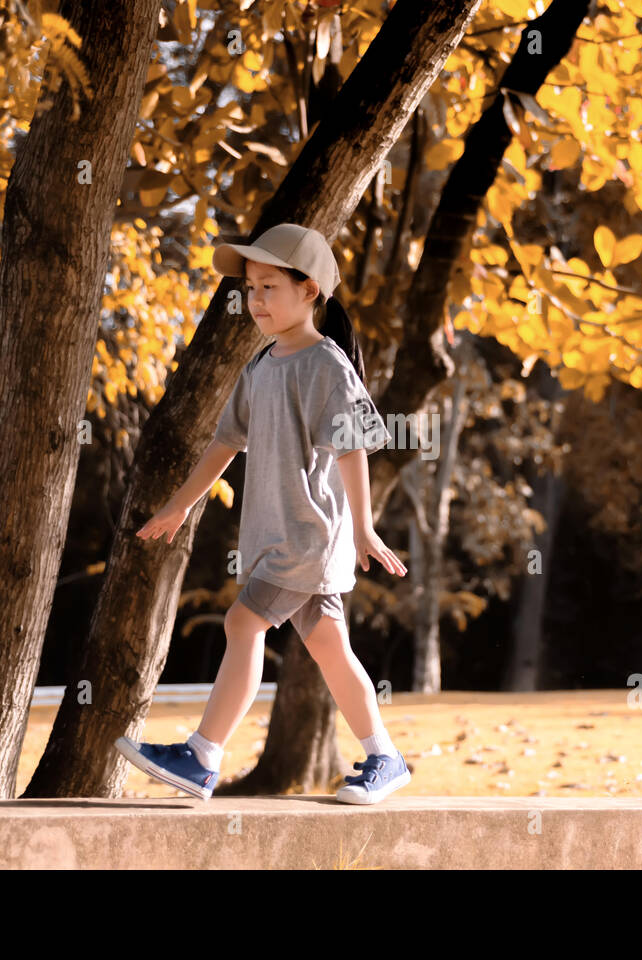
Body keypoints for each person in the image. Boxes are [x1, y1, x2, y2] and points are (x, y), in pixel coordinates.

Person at [114, 222, 412, 804]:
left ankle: (202, 757)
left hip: (308, 536)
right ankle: (385, 756)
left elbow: (353, 446)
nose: (255, 301)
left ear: (310, 292)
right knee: (330, 646)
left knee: (242, 624)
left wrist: (365, 527)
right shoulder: (261, 365)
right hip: (279, 537)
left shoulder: (327, 366)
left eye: (269, 287)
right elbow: (225, 444)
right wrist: (179, 506)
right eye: (250, 289)